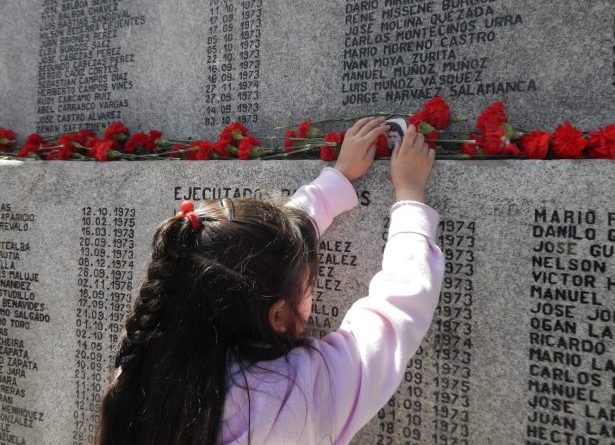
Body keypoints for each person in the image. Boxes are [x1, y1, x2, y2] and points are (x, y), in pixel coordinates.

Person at [95, 116, 444, 445]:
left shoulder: (143, 371)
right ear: (277, 315)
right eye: (309, 286)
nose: (311, 291)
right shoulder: (296, 395)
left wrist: (337, 178)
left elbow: (255, 251)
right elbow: (397, 309)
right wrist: (411, 196)